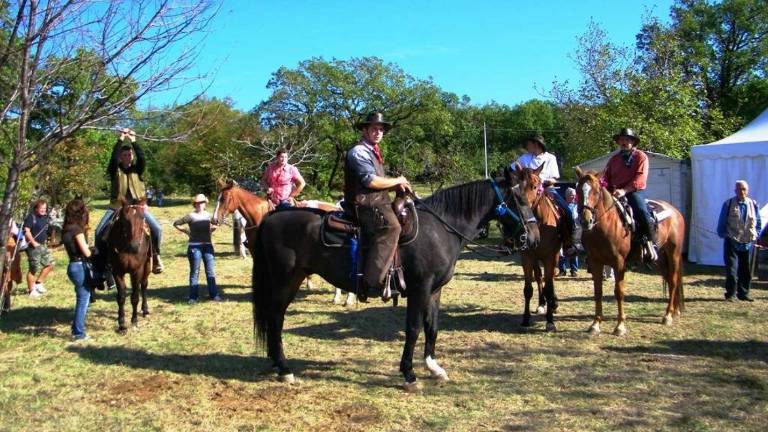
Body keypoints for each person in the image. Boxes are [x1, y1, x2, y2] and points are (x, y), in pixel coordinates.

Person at [344, 112, 412, 296]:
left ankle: (396, 270)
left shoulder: (373, 152)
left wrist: (399, 186)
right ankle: (373, 281)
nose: (378, 132)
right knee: (392, 227)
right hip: (363, 204)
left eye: (381, 129)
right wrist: (397, 180)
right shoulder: (359, 152)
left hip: (375, 201)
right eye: (374, 128)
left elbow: (380, 184)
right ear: (365, 130)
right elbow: (370, 182)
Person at [94, 128, 163, 273]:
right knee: (99, 232)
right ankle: (101, 265)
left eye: (130, 154)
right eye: (124, 154)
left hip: (138, 207)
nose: (128, 156)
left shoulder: (138, 169)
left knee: (157, 228)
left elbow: (142, 158)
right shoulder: (115, 170)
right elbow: (113, 158)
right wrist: (120, 139)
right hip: (117, 206)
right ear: (120, 157)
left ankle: (156, 256)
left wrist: (133, 140)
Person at [512, 135, 581, 255]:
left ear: (537, 145)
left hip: (547, 189)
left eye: (529, 144)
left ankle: (568, 242)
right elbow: (512, 169)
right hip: (527, 190)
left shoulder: (550, 158)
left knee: (567, 211)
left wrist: (543, 181)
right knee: (510, 208)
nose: (527, 146)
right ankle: (510, 240)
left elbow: (554, 178)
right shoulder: (524, 157)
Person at [603, 128, 657, 262]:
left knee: (641, 210)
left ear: (633, 142)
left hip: (633, 191)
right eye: (621, 140)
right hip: (615, 192)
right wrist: (604, 188)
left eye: (627, 140)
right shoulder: (613, 160)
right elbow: (606, 178)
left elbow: (640, 178)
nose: (624, 142)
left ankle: (650, 243)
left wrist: (624, 191)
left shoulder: (640, 156)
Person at [716, 180, 762, 302]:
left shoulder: (753, 204)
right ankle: (730, 294)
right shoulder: (728, 204)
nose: (741, 191)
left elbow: (758, 222)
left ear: (747, 190)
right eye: (739, 189)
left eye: (744, 189)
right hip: (732, 241)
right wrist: (724, 234)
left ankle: (744, 293)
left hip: (748, 242)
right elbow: (722, 222)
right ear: (735, 191)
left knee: (746, 270)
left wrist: (756, 234)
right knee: (732, 270)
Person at [174, 194, 221, 304]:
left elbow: (216, 224)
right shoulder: (190, 216)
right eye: (198, 203)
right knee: (195, 272)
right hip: (194, 247)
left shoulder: (209, 215)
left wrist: (211, 230)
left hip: (208, 246)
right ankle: (193, 297)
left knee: (210, 272)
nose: (200, 205)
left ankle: (214, 295)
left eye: (202, 202)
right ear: (195, 204)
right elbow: (176, 223)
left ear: (205, 204)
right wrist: (186, 231)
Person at [61, 197, 94, 341]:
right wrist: (95, 249)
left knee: (82, 298)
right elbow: (86, 252)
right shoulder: (77, 230)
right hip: (79, 266)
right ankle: (78, 332)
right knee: (83, 299)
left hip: (72, 265)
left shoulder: (66, 229)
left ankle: (77, 328)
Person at [22, 199, 54, 298]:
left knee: (50, 264)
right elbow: (26, 231)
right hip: (33, 247)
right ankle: (31, 291)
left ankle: (38, 283)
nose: (44, 210)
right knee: (34, 268)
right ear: (36, 208)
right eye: (41, 208)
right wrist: (33, 242)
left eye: (45, 208)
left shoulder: (45, 218)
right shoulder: (31, 217)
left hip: (43, 245)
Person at [558, 188, 579, 277]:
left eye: (574, 195)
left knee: (573, 250)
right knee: (562, 251)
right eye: (571, 195)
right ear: (566, 196)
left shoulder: (577, 205)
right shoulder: (561, 205)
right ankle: (562, 270)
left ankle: (574, 270)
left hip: (574, 230)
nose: (573, 196)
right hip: (564, 230)